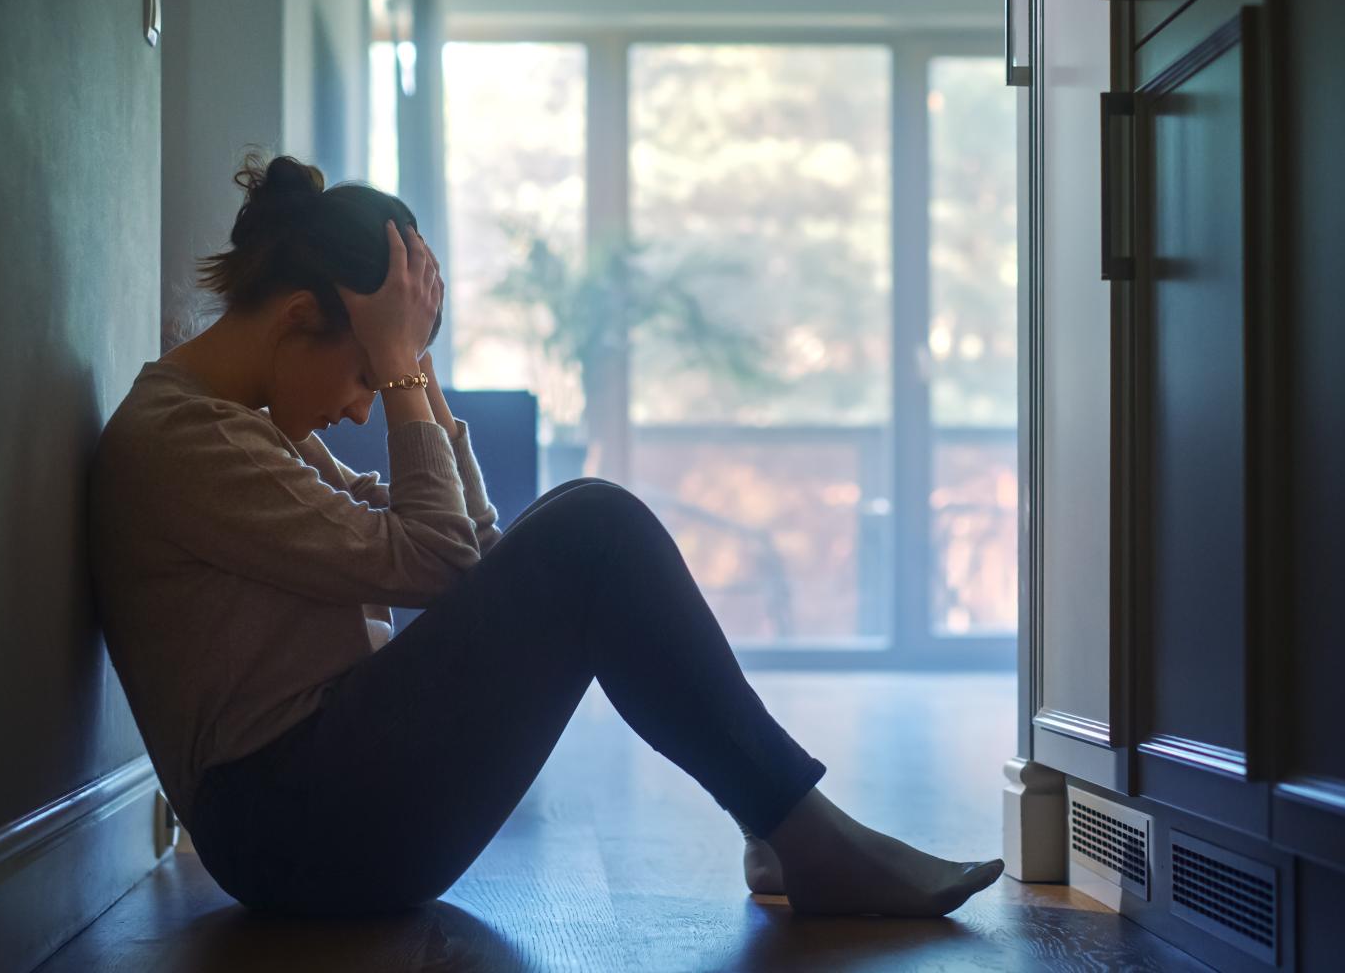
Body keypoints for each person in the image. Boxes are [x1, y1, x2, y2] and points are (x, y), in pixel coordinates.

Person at [87, 152, 1005, 918]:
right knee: (594, 524)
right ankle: (799, 833)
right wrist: (405, 370)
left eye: (384, 379)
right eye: (368, 372)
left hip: (323, 805)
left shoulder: (242, 430)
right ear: (296, 320)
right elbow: (439, 557)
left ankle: (785, 831)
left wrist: (416, 374)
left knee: (586, 523)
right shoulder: (185, 440)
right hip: (293, 834)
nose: (363, 407)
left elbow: (470, 562)